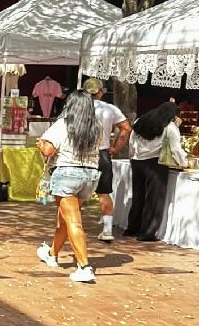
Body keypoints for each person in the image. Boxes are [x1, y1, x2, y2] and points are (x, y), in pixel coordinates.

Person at [35, 89, 102, 283]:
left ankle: (84, 267)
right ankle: (52, 254)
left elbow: (48, 150)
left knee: (73, 221)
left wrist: (41, 144)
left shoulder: (63, 124)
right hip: (89, 175)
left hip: (67, 174)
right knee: (64, 219)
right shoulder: (96, 127)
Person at [125, 102, 189, 242]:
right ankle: (147, 232)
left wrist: (133, 157)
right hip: (155, 164)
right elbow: (175, 149)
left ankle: (133, 228)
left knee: (138, 196)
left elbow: (131, 143)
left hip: (137, 162)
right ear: (173, 115)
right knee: (154, 200)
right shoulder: (170, 127)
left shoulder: (139, 121)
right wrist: (184, 163)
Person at [82, 78, 131, 242]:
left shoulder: (76, 107)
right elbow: (126, 129)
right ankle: (108, 230)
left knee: (75, 192)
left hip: (80, 154)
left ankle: (73, 226)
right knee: (104, 192)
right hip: (102, 153)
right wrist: (116, 148)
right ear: (101, 92)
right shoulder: (110, 109)